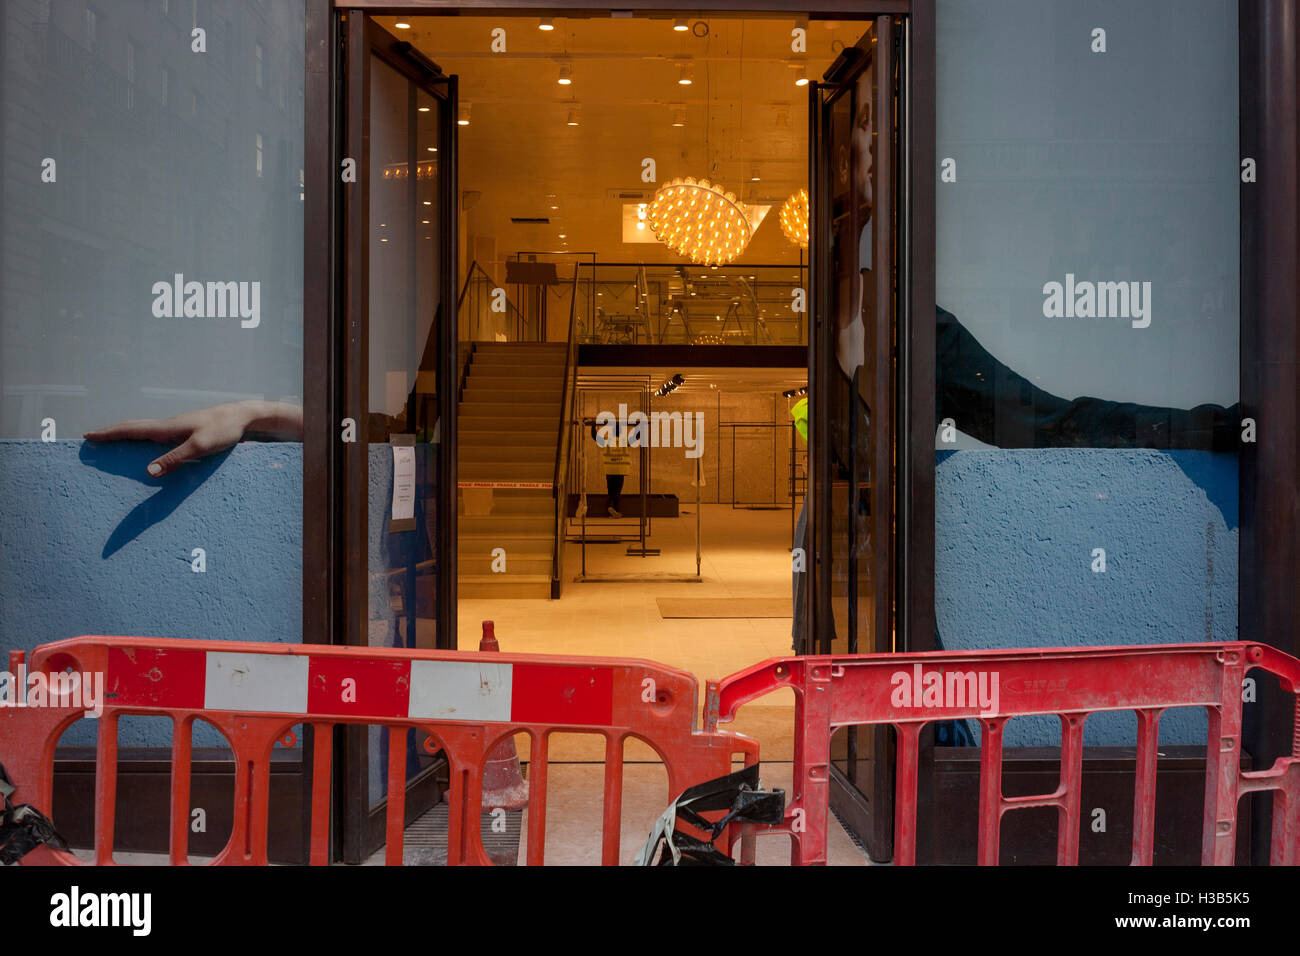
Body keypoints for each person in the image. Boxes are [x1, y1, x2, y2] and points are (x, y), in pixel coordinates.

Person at [588, 419, 631, 518]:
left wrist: (593, 426)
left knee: (611, 491)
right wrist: (640, 426)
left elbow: (595, 437)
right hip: (620, 470)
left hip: (610, 470)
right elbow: (637, 437)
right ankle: (615, 510)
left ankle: (611, 509)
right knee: (617, 491)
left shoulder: (607, 440)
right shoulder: (624, 440)